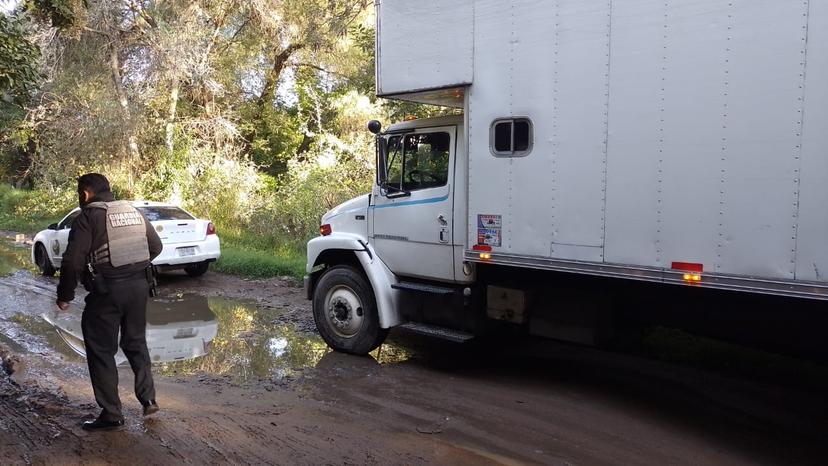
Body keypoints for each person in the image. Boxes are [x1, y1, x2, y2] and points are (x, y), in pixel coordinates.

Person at [56, 173, 163, 431]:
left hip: (107, 292)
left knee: (101, 349)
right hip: (139, 287)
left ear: (85, 194)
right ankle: (148, 399)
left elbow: (72, 262)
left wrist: (65, 295)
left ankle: (112, 413)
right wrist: (133, 267)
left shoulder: (88, 217)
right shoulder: (133, 211)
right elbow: (156, 247)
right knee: (135, 342)